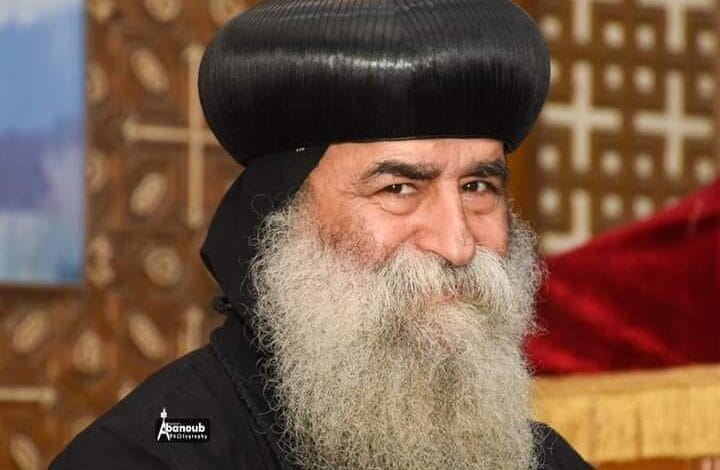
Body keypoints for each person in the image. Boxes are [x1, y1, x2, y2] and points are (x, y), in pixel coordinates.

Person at [51, 0, 592, 468]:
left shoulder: (539, 459)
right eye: (399, 188)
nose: (458, 244)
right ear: (282, 218)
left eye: (477, 186)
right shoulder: (152, 454)